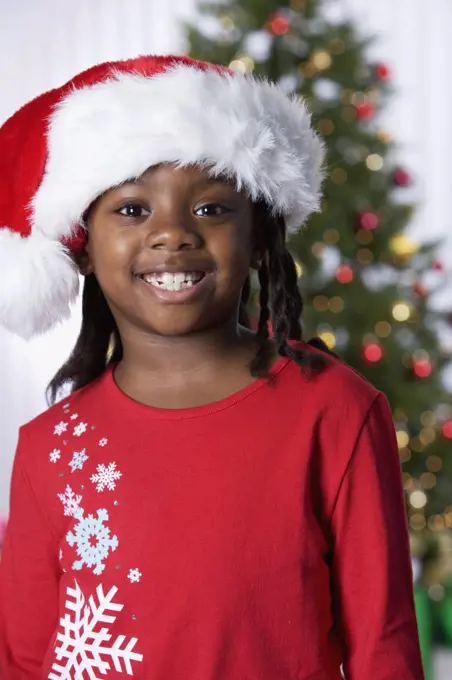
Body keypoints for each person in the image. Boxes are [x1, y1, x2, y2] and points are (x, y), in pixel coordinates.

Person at [0, 55, 424, 680]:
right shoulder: (50, 449)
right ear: (83, 243)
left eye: (210, 209)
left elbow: (382, 646)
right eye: (132, 210)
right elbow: (24, 659)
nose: (172, 234)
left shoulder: (336, 410)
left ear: (260, 237)